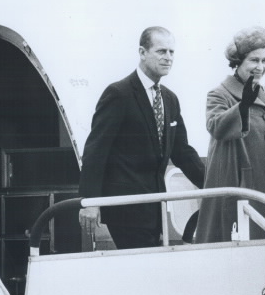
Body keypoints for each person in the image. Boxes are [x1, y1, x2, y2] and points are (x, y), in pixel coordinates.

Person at [78, 26, 205, 249]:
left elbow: (182, 151)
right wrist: (90, 202)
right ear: (142, 52)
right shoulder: (119, 94)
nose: (168, 58)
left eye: (171, 52)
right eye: (161, 51)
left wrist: (214, 185)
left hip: (154, 207)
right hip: (125, 208)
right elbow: (96, 150)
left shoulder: (169, 99)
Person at [196, 26, 265, 243]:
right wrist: (243, 105)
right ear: (238, 62)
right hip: (240, 191)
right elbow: (216, 126)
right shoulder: (220, 94)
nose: (260, 67)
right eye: (253, 60)